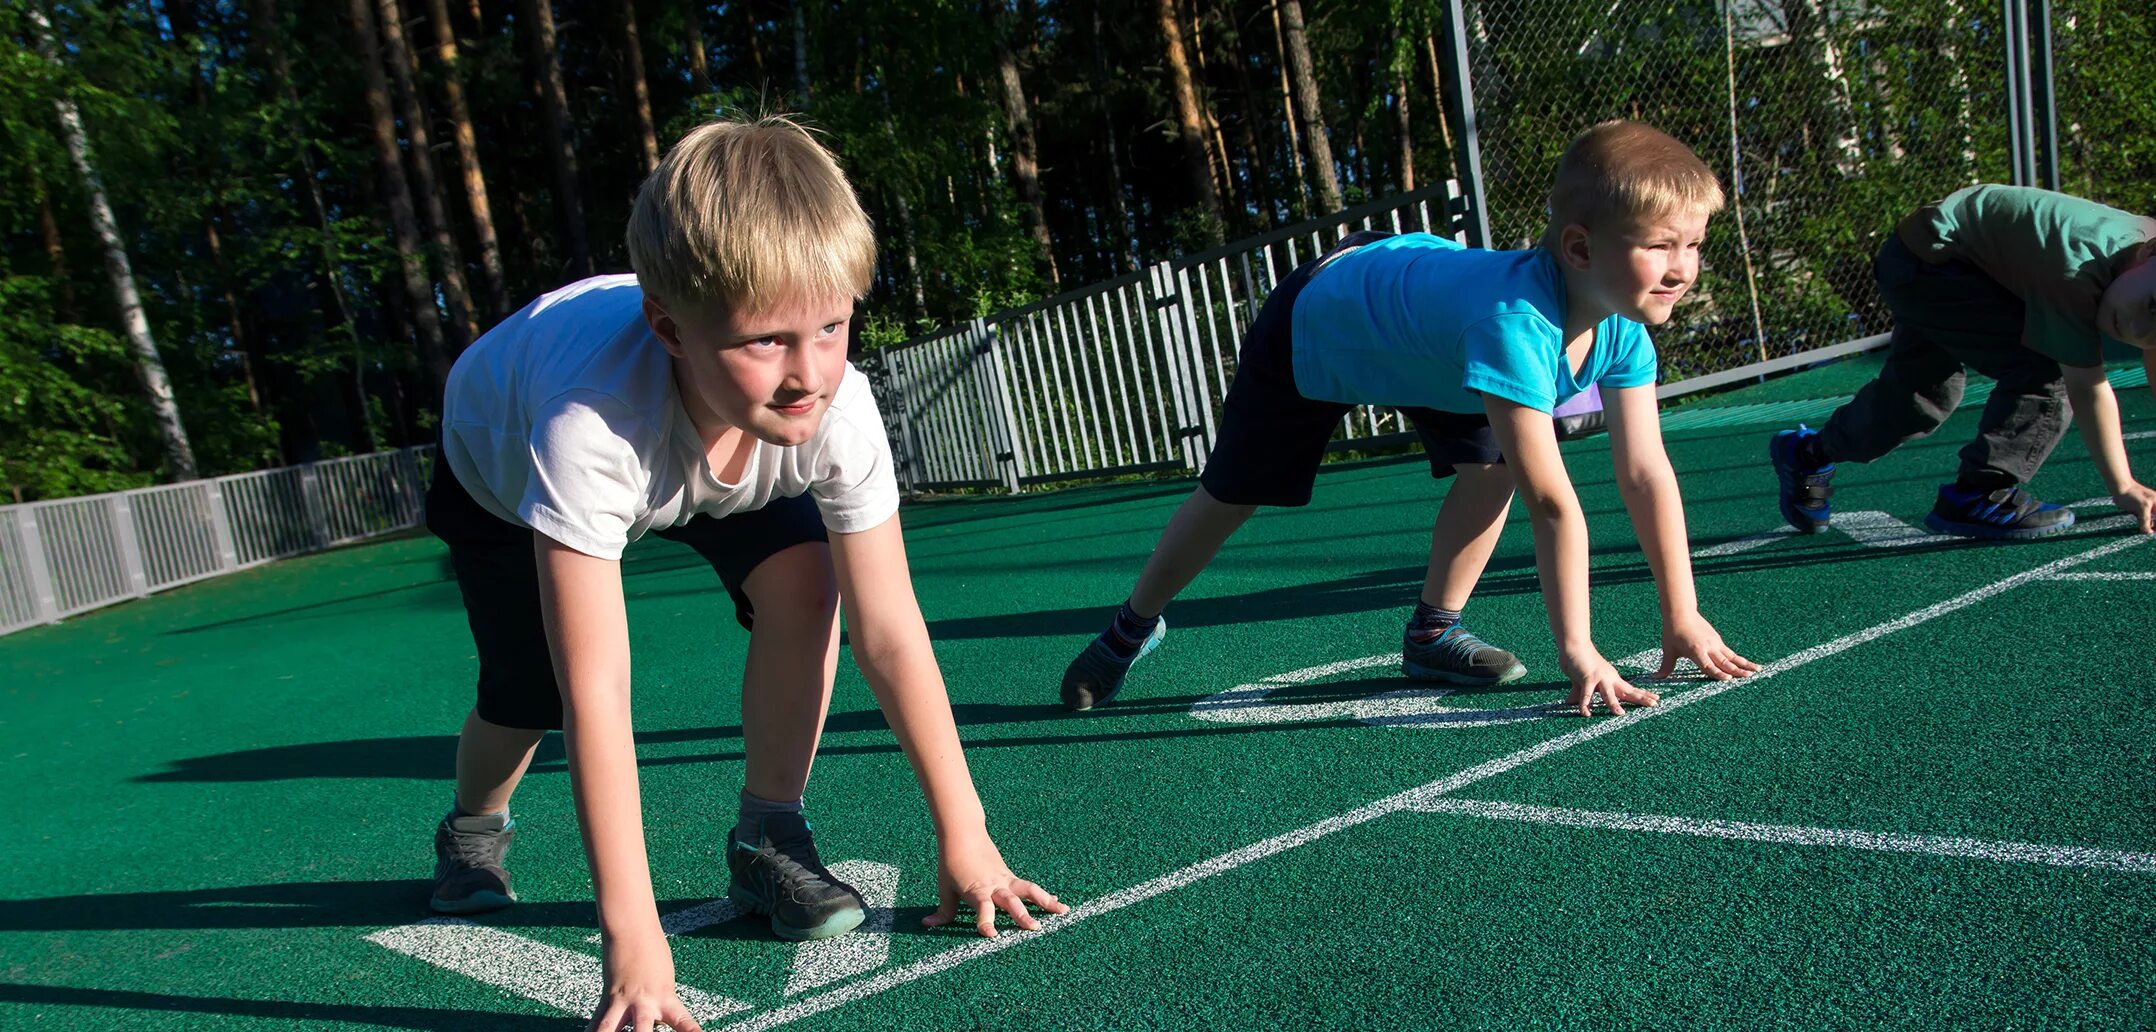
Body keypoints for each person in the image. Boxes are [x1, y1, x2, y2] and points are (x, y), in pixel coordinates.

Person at [423, 115, 1065, 1032]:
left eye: (833, 326)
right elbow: (599, 689)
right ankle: (472, 829)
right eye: (767, 339)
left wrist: (967, 835)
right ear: (669, 328)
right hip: (495, 471)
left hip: (719, 434)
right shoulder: (588, 426)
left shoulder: (827, 403)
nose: (810, 373)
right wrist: (634, 939)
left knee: (810, 587)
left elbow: (888, 628)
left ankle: (769, 832)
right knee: (532, 695)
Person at [1058, 120, 1758, 720]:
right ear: (1580, 250)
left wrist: (1682, 615)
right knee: (1232, 495)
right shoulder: (1512, 327)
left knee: (1494, 468)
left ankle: (1432, 635)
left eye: (1693, 245)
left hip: (1426, 333)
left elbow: (1644, 472)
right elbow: (1554, 504)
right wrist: (1579, 651)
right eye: (1662, 246)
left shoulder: (1623, 326)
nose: (1683, 268)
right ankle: (1129, 629)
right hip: (1326, 317)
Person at [1771, 185, 2156, 539]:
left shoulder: (2141, 265)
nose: (2138, 328)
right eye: (2151, 305)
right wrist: (2122, 486)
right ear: (2150, 253)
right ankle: (1978, 495)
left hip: (1935, 257)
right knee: (2044, 370)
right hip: (1936, 262)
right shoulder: (2078, 271)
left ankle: (1808, 453)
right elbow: (2088, 388)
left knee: (1917, 397)